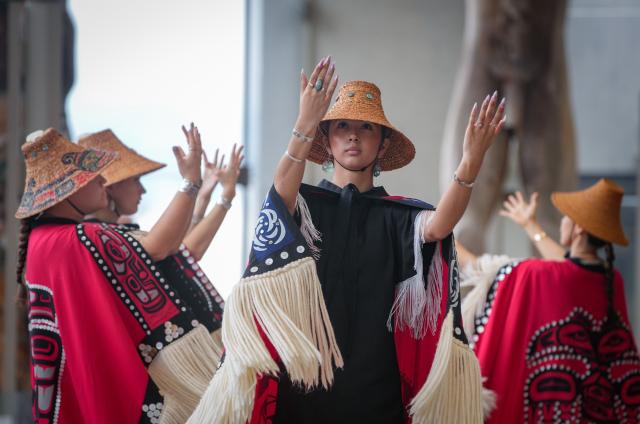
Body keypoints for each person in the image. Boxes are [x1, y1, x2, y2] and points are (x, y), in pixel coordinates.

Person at [190, 56, 506, 423]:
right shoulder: (302, 203)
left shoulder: (399, 216)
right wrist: (304, 122)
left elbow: (439, 226)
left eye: (366, 127)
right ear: (327, 138)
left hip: (378, 391)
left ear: (383, 145)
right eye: (342, 125)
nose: (353, 134)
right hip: (303, 387)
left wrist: (470, 161)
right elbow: (279, 193)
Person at [18, 127, 219, 423]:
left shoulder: (46, 240)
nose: (102, 179)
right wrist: (191, 182)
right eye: (91, 175)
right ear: (69, 188)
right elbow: (161, 247)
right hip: (108, 399)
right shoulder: (78, 239)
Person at [460, 179, 640, 422]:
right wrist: (529, 225)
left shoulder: (540, 274)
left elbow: (481, 270)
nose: (563, 220)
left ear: (578, 229)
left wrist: (440, 230)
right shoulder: (610, 279)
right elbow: (569, 265)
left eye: (567, 216)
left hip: (553, 406)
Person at [78, 128, 242, 345]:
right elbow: (179, 250)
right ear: (111, 185)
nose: (142, 190)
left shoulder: (109, 232)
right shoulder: (101, 236)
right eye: (136, 179)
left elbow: (175, 247)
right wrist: (212, 191)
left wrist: (202, 195)